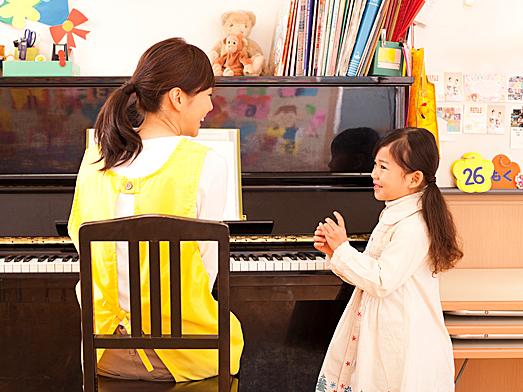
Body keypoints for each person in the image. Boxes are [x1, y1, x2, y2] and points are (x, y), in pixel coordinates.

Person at [68, 37, 243, 382]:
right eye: (208, 96)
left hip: (103, 352)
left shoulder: (95, 157)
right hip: (184, 356)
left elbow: (82, 248)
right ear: (178, 98)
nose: (210, 107)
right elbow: (206, 272)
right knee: (235, 337)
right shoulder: (206, 161)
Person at [313, 128, 463, 392]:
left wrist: (344, 249)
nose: (374, 174)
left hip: (400, 336)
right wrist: (335, 252)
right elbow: (370, 275)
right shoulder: (395, 213)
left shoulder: (414, 225)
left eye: (383, 167)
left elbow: (382, 280)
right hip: (381, 325)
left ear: (413, 178)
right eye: (375, 165)